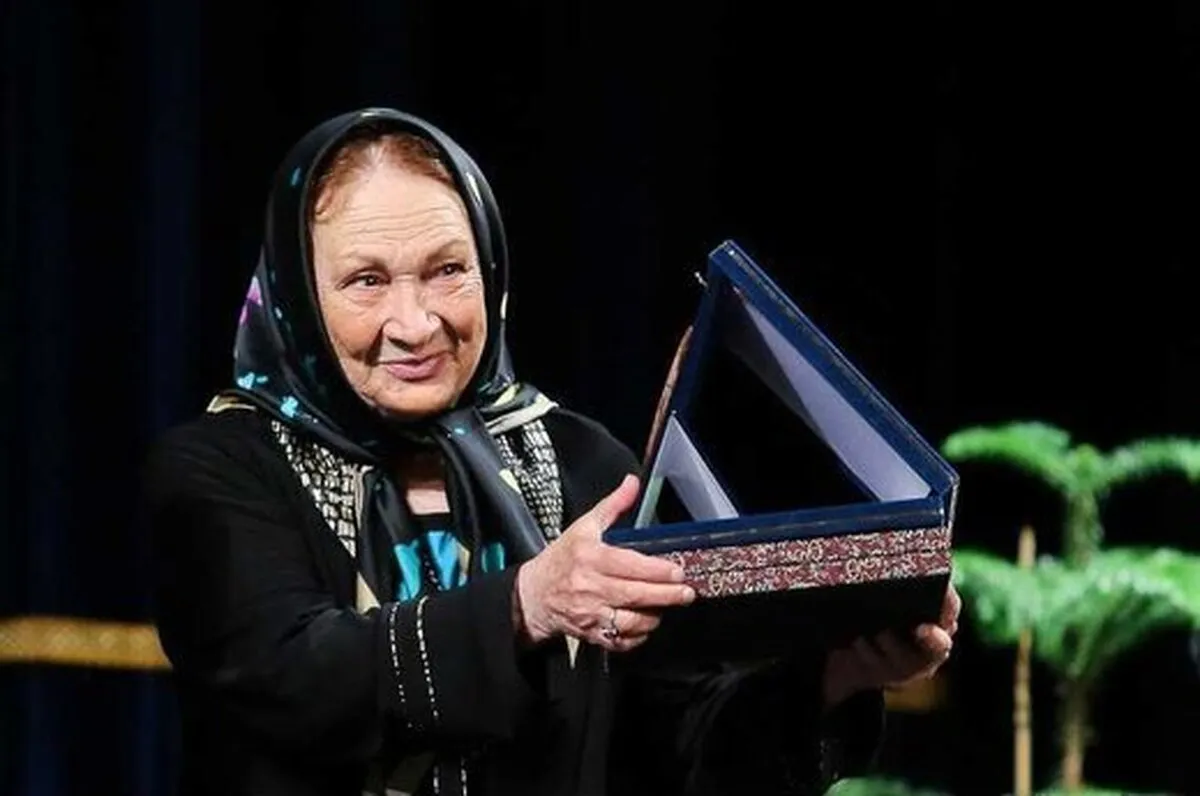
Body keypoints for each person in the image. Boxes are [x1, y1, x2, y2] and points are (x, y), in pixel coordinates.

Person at [143, 107, 961, 796]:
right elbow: (296, 681)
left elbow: (676, 753)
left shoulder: (579, 465)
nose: (416, 322)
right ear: (296, 296)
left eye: (447, 270)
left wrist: (839, 676)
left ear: (492, 268)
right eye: (367, 281)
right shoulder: (221, 469)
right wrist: (525, 603)